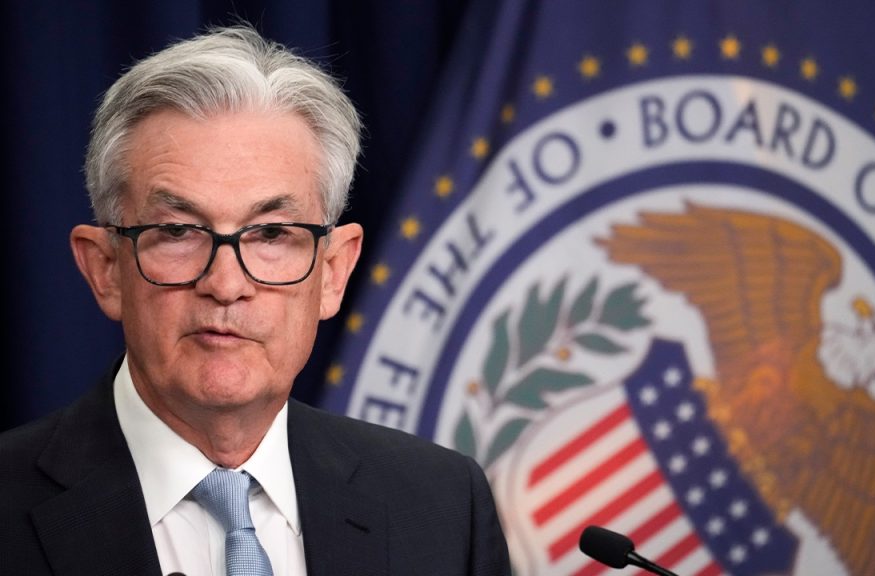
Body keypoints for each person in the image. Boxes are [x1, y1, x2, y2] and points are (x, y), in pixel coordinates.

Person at [0, 25, 511, 576]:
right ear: (106, 269)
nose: (225, 284)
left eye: (270, 234)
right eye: (178, 231)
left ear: (333, 271)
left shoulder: (442, 506)